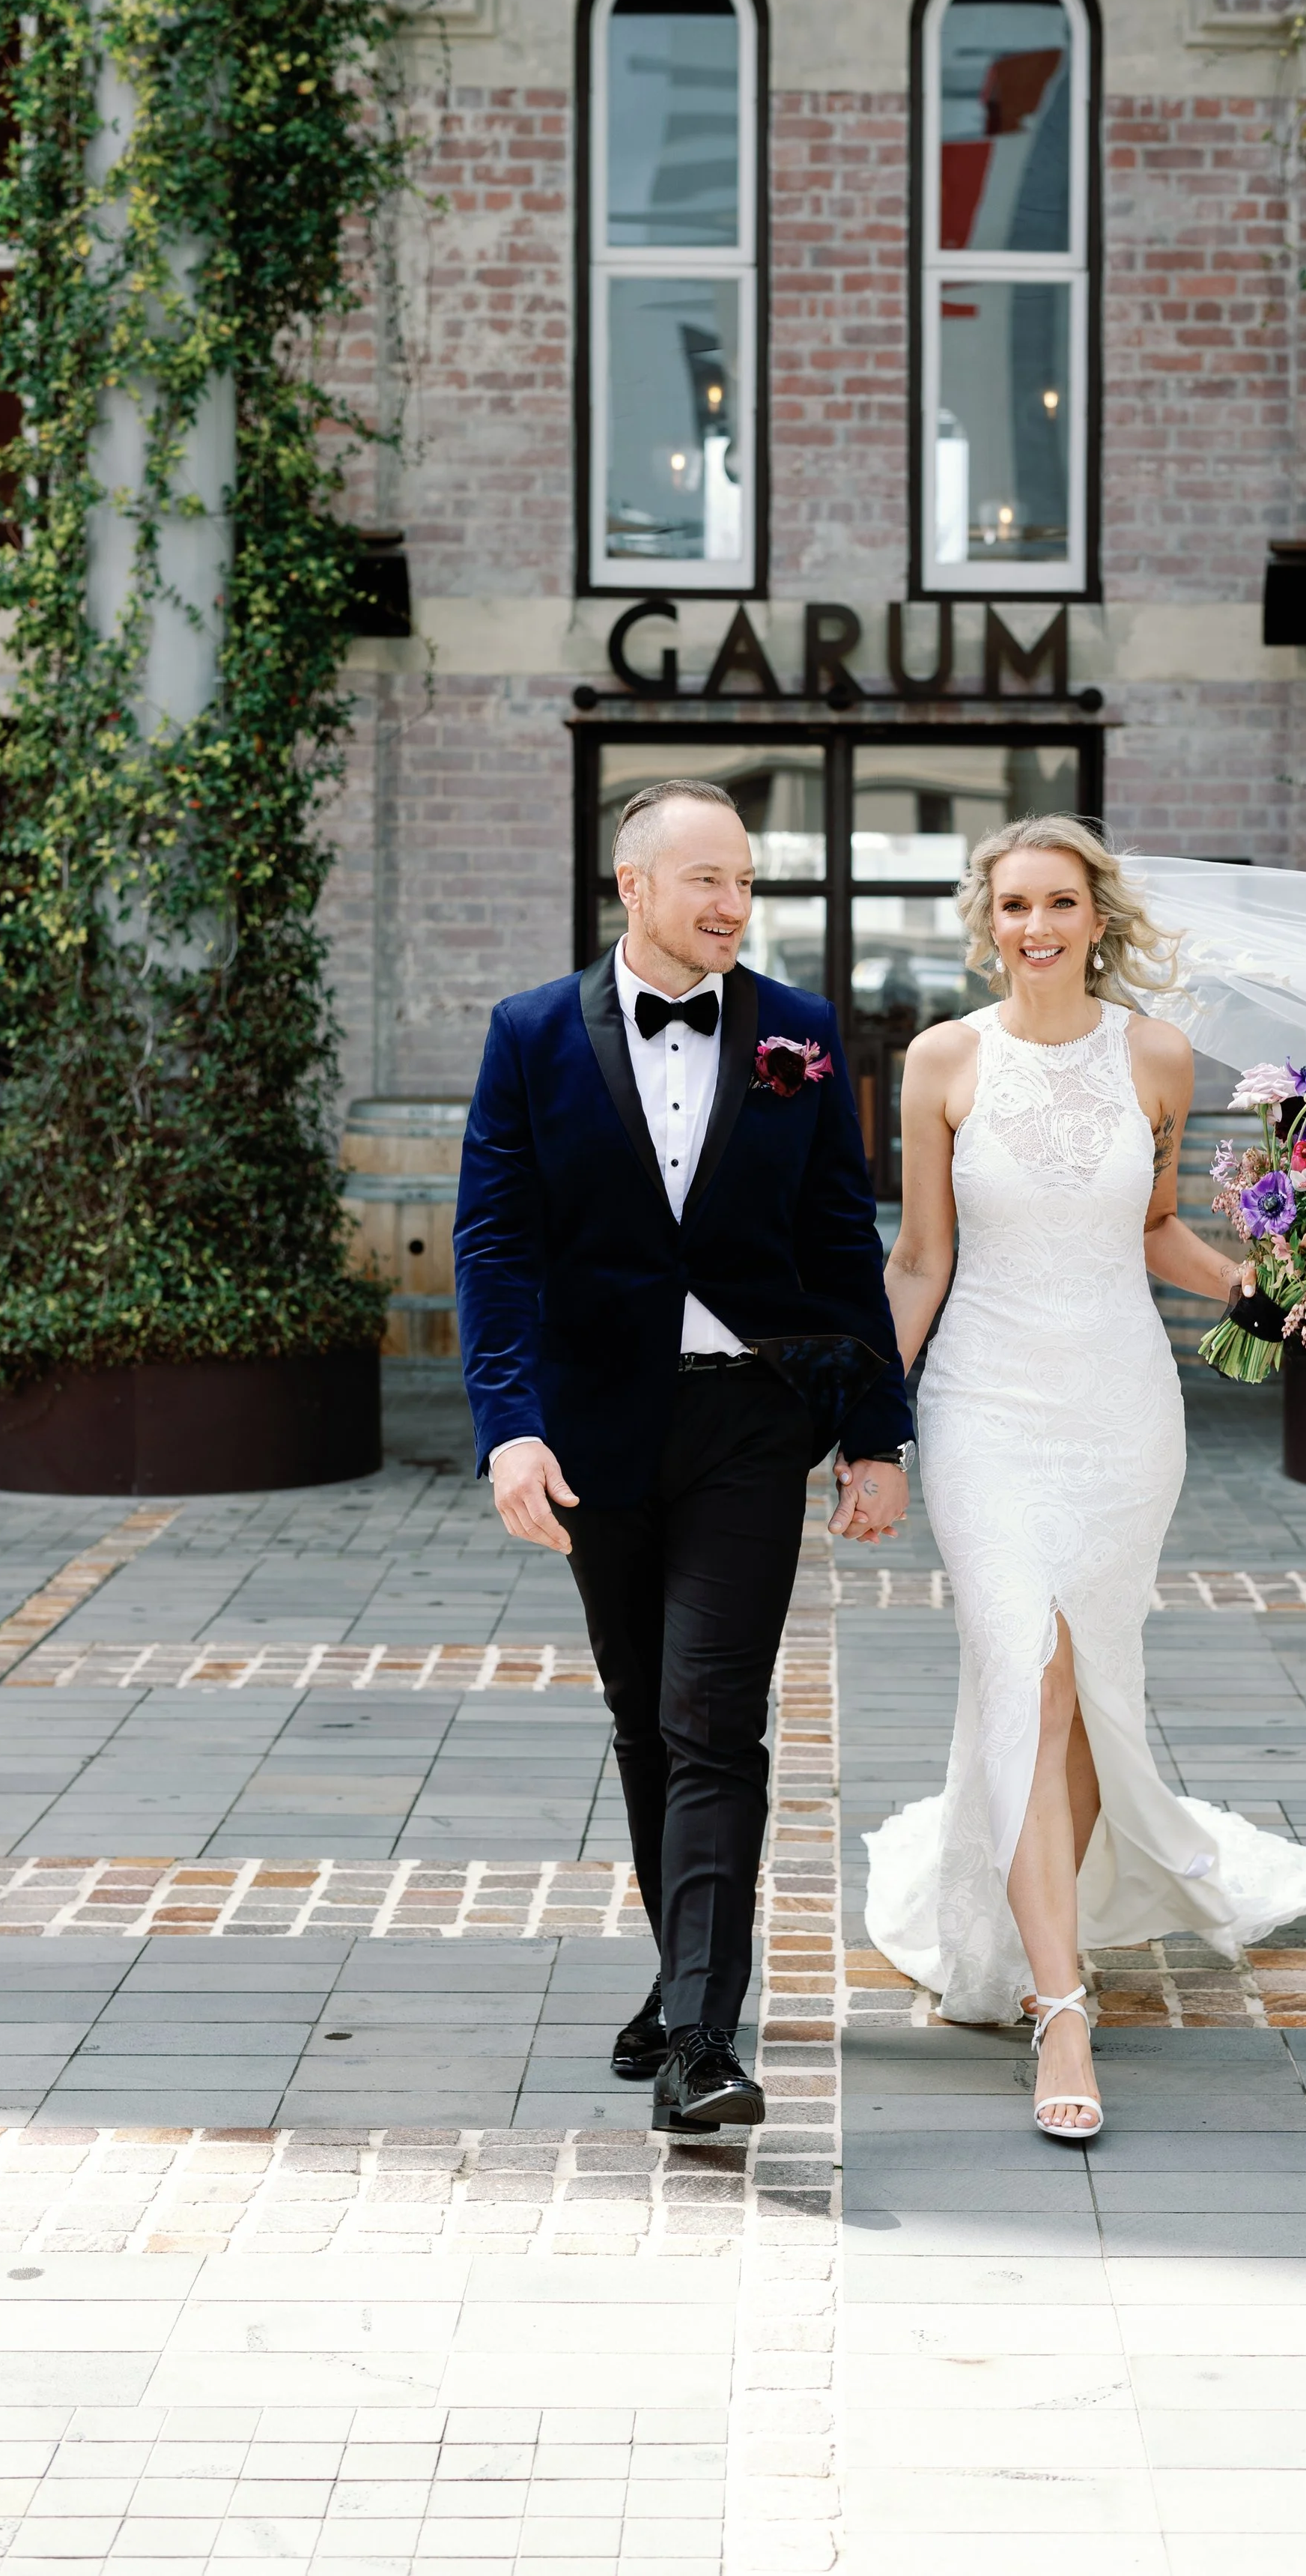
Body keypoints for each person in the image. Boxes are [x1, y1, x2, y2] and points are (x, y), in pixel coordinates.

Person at [864, 816, 1306, 2142]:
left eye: (1061, 903)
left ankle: (1044, 1931)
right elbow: (921, 1256)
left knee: (1083, 1691)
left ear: (1099, 918)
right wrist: (869, 1415)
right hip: (985, 1404)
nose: (1036, 926)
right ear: (989, 919)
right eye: (1014, 904)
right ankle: (1061, 2003)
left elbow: (1156, 1231)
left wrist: (1277, 1287)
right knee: (1028, 1666)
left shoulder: (1157, 1056)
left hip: (1122, 1412)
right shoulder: (940, 1060)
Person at [455, 779, 911, 2134]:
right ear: (632, 884)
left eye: (746, 881)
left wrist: (876, 1430)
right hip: (596, 1432)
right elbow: (492, 1245)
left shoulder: (801, 1035)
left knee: (717, 1718)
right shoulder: (530, 1034)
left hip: (750, 1422)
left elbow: (842, 1241)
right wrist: (509, 1426)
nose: (732, 904)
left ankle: (704, 2038)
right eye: (706, 878)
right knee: (645, 1716)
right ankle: (680, 1977)